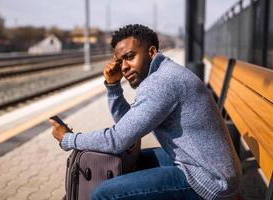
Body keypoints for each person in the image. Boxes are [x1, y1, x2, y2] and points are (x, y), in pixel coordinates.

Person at [50, 24, 242, 200]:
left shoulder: (161, 82)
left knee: (102, 194)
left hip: (209, 179)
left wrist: (68, 139)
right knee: (122, 163)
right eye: (120, 61)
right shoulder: (164, 72)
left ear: (151, 52)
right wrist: (113, 85)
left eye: (130, 57)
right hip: (203, 163)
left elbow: (117, 140)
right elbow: (128, 128)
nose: (124, 67)